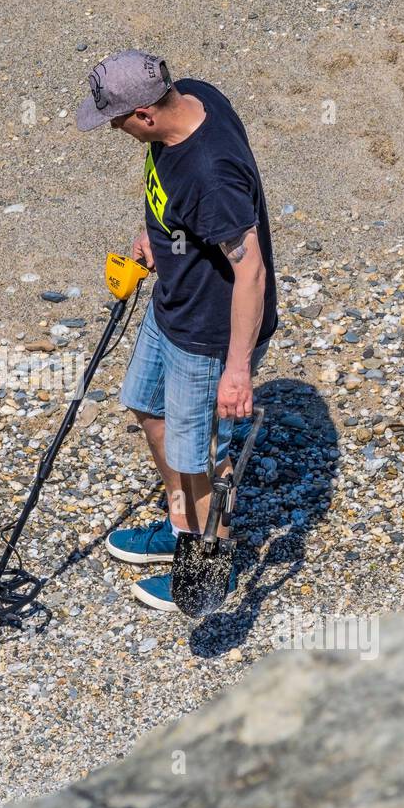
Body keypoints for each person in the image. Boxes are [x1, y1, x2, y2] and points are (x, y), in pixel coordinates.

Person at [76, 50, 278, 611]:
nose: (115, 130)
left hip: (209, 334)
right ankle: (181, 522)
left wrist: (237, 370)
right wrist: (157, 234)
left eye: (116, 120)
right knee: (147, 406)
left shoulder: (210, 174)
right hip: (173, 305)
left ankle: (208, 567)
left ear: (144, 113)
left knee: (198, 455)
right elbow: (168, 193)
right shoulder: (191, 94)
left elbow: (250, 269)